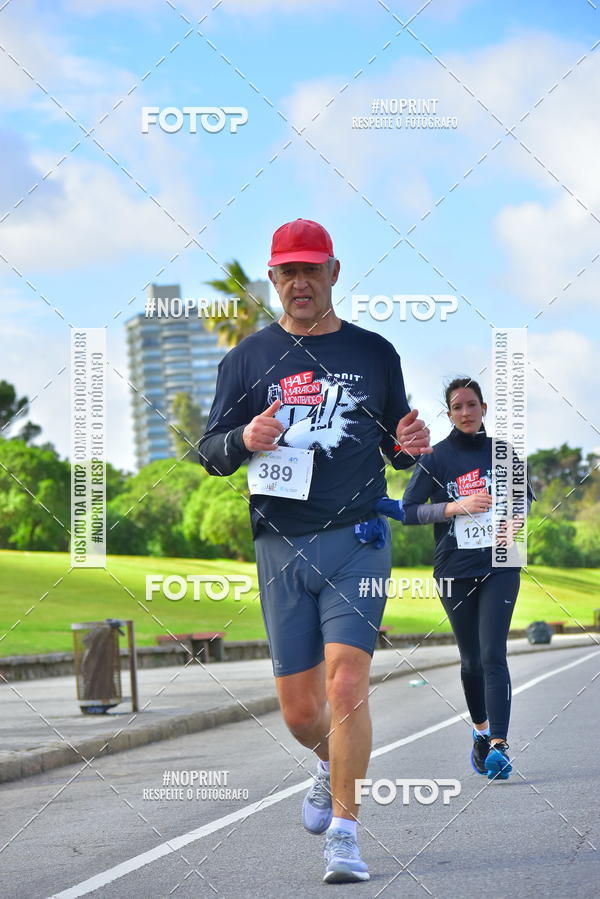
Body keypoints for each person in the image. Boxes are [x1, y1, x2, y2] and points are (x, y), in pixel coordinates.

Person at [198, 218, 431, 883]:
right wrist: (246, 434)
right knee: (303, 712)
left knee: (348, 681)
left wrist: (407, 444)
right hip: (280, 546)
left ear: (334, 272)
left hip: (359, 538)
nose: (300, 282)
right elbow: (210, 453)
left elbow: (392, 441)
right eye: (287, 272)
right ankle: (326, 763)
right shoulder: (246, 359)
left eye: (311, 269)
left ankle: (346, 834)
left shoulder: (375, 352)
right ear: (274, 281)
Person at [402, 377, 534, 780]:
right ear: (449, 413)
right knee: (471, 660)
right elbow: (408, 510)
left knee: (494, 654)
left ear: (483, 409)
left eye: (471, 405)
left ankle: (500, 746)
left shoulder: (503, 452)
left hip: (500, 565)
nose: (465, 412)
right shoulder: (436, 458)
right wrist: (455, 507)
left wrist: (514, 521)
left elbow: (524, 496)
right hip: (454, 570)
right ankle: (480, 732)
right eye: (457, 407)